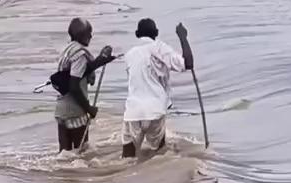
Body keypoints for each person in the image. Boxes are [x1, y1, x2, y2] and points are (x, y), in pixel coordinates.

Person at [121, 18, 193, 158]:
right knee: (158, 155)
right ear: (156, 33)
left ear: (137, 34)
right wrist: (183, 37)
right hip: (154, 110)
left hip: (133, 111)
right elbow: (188, 63)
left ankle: (125, 177)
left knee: (127, 158)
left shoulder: (129, 54)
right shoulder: (159, 47)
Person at [54, 18, 115, 152]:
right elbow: (74, 85)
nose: (91, 36)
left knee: (64, 155)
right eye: (89, 33)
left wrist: (102, 59)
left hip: (61, 110)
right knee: (81, 153)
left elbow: (80, 72)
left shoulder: (67, 50)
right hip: (75, 111)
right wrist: (89, 109)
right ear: (82, 35)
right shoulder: (80, 55)